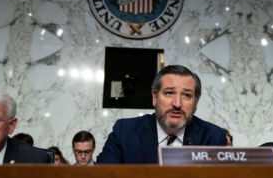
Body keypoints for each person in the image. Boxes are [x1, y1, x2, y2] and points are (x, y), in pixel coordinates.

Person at [97, 65, 227, 164]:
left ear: (196, 102)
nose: (177, 103)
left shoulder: (213, 138)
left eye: (186, 95)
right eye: (169, 93)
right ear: (155, 97)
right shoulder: (125, 132)